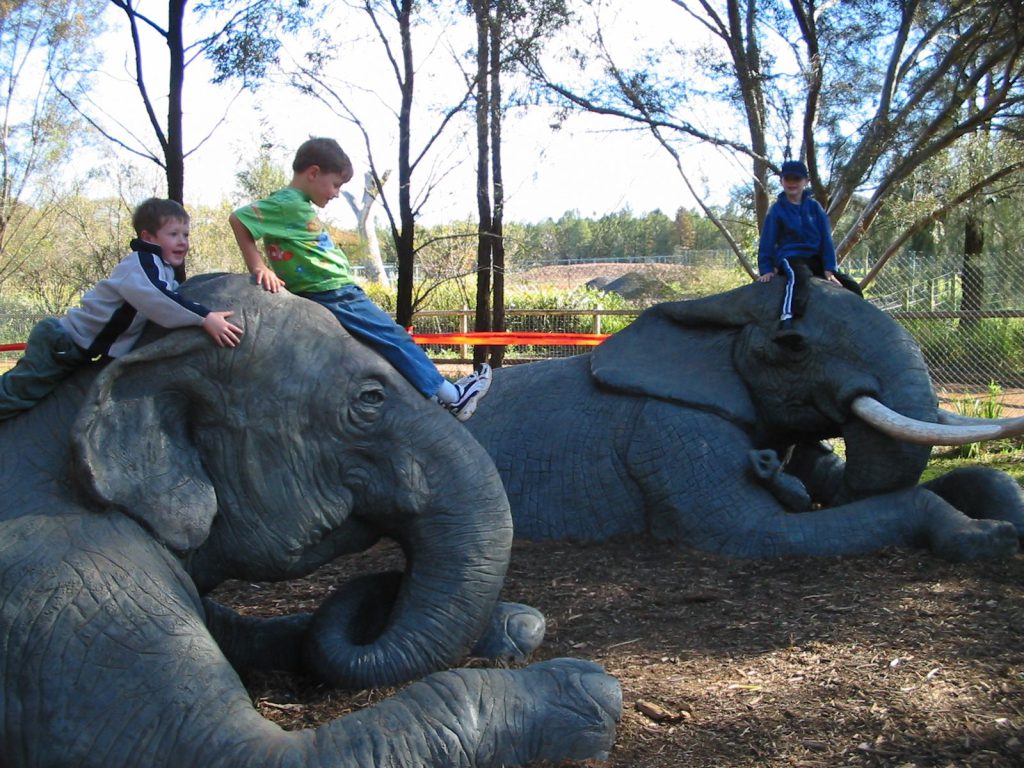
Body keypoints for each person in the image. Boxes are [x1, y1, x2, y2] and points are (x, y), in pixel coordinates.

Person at [229, 137, 491, 421]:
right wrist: (258, 267)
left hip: (332, 289)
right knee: (393, 338)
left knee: (381, 341)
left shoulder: (294, 202)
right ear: (313, 173)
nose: (336, 194)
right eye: (335, 185)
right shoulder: (287, 203)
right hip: (334, 292)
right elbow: (239, 219)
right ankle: (454, 398)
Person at [0, 198, 243, 420]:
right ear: (148, 238)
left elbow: (173, 294)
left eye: (186, 235)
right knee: (20, 392)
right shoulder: (141, 265)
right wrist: (205, 317)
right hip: (61, 343)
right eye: (174, 234)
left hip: (78, 349)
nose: (183, 241)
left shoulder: (162, 268)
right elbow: (162, 301)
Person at [757, 160, 861, 329]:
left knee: (850, 284)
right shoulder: (776, 210)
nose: (792, 183)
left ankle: (858, 318)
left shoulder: (815, 208)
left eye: (796, 179)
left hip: (814, 257)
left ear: (806, 181)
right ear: (781, 181)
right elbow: (767, 241)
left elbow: (826, 239)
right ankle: (788, 318)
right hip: (790, 257)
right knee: (800, 278)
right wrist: (767, 269)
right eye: (787, 179)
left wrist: (829, 268)